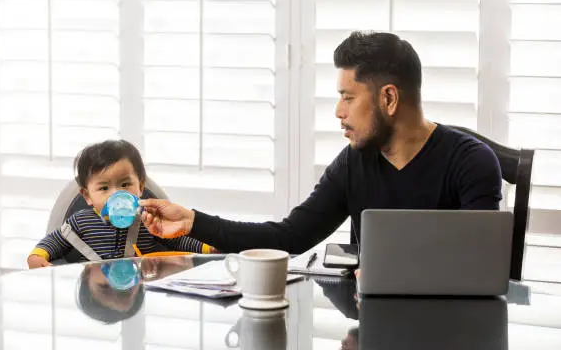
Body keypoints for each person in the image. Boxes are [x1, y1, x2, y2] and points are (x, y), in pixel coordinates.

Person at [139, 31, 503, 254]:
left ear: (388, 99)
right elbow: (290, 236)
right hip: (371, 327)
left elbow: (479, 260)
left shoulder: (471, 162)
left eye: (347, 97)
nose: (337, 112)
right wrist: (192, 221)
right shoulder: (354, 162)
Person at [27, 140, 215, 268]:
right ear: (87, 196)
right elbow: (55, 240)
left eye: (125, 184)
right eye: (103, 188)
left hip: (140, 288)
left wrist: (210, 248)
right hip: (96, 288)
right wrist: (37, 256)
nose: (116, 195)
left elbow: (179, 239)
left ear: (140, 187)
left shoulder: (149, 220)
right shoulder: (81, 221)